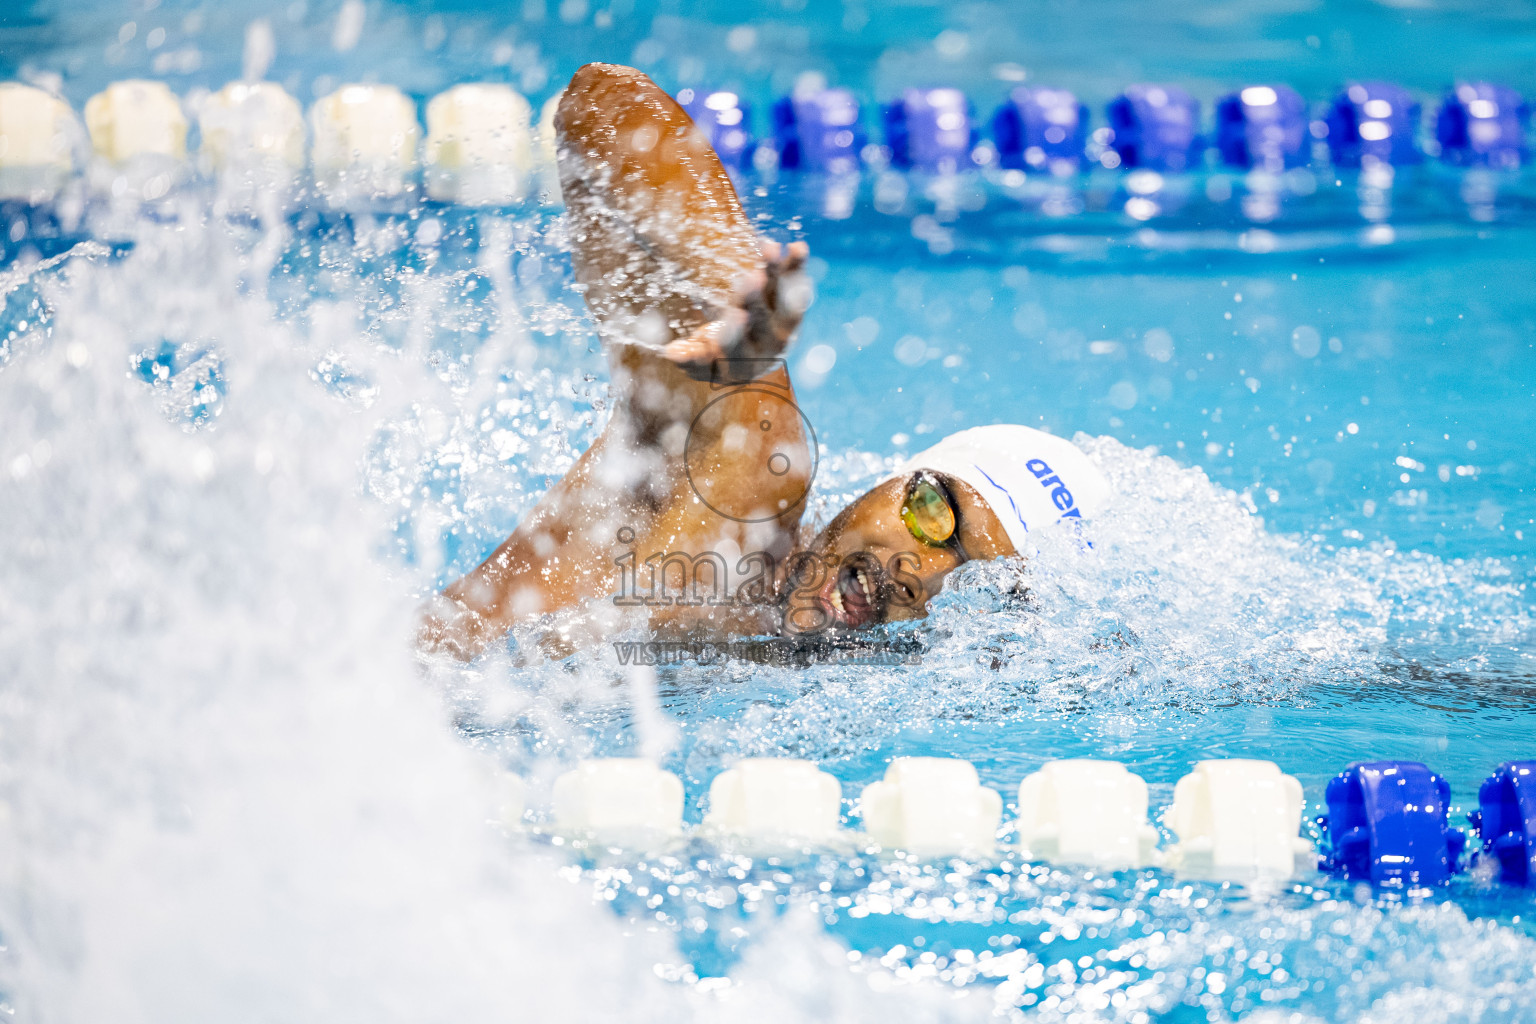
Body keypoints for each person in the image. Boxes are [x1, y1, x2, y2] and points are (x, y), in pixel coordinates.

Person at [417, 63, 1111, 661]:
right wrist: (718, 280)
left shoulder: (845, 660)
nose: (921, 572)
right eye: (936, 513)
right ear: (898, 481)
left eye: (974, 581)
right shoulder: (746, 481)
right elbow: (603, 106)